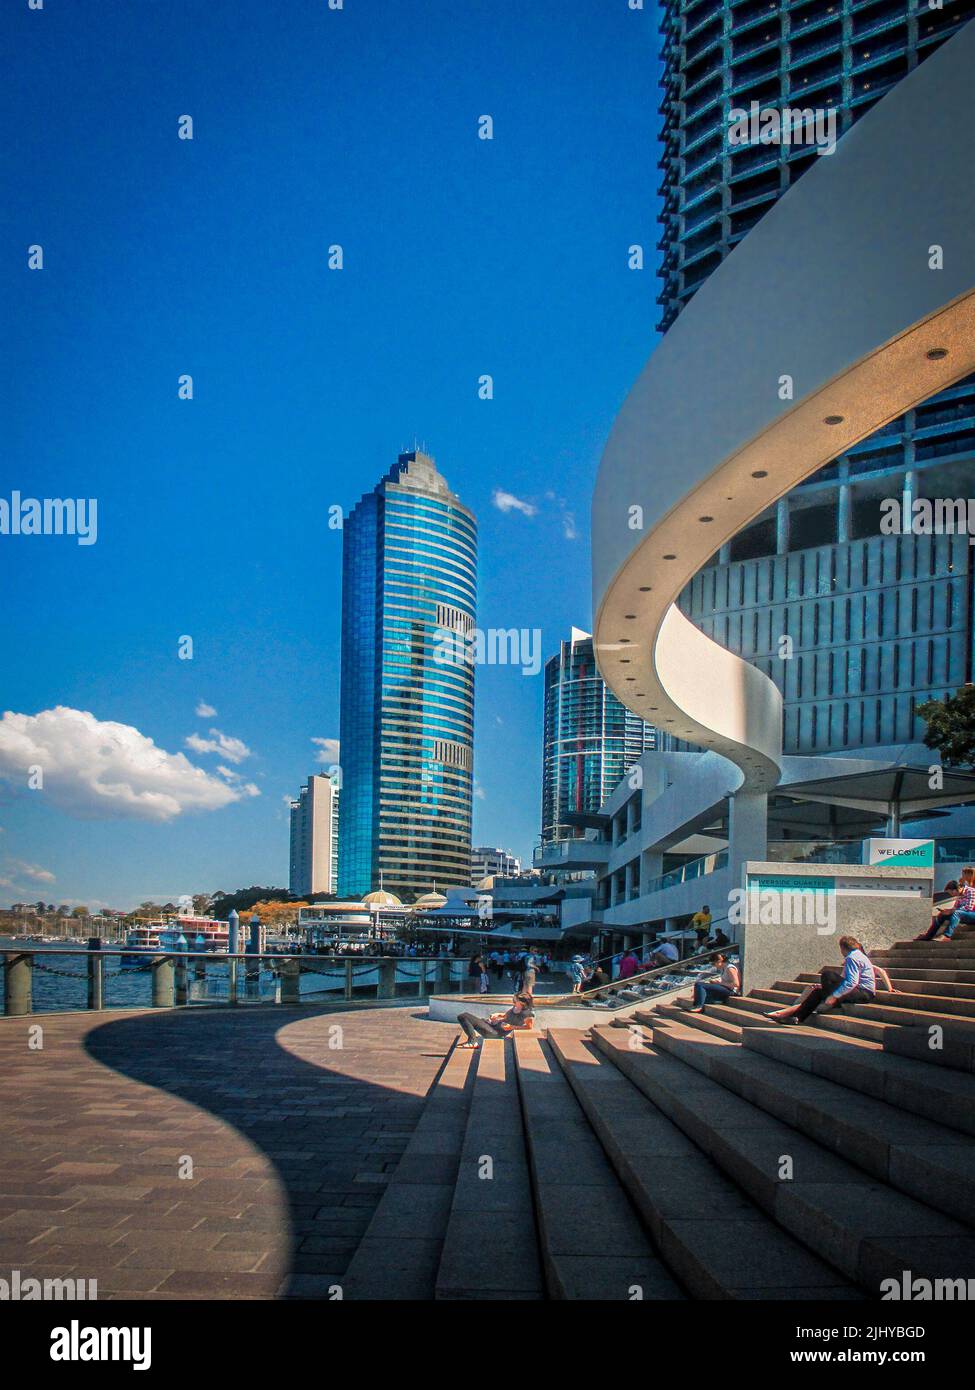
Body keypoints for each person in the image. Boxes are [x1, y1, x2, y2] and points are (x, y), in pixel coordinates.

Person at [767, 937, 896, 1024]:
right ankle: (797, 1018)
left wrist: (834, 996)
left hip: (863, 993)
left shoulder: (852, 957)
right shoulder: (859, 956)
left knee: (828, 975)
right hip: (862, 992)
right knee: (818, 993)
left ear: (843, 948)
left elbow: (852, 982)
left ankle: (831, 1002)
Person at [456, 993, 535, 1049]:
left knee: (464, 1016)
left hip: (496, 1033)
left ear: (522, 1002)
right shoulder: (516, 1007)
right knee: (472, 1019)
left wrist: (512, 1027)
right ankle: (472, 1041)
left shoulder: (527, 1013)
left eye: (515, 1000)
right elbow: (506, 1016)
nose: (513, 1001)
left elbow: (529, 1027)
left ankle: (472, 1042)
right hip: (493, 1026)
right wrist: (497, 1015)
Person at [939, 867, 975, 940]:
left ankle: (947, 935)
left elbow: (969, 905)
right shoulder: (963, 885)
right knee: (945, 914)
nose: (962, 876)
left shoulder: (970, 889)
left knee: (957, 913)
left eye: (964, 874)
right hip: (967, 911)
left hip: (971, 911)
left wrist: (954, 911)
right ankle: (930, 934)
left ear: (970, 874)